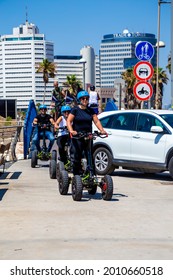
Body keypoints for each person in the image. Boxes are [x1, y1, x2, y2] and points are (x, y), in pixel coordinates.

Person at [66, 90, 107, 176]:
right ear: (79, 100)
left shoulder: (90, 110)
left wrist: (102, 130)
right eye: (83, 99)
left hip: (88, 136)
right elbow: (69, 121)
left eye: (87, 98)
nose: (85, 100)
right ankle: (77, 175)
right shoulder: (75, 110)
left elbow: (96, 121)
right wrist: (71, 131)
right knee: (77, 156)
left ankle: (92, 175)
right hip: (77, 136)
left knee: (90, 156)